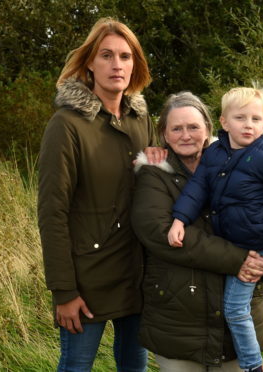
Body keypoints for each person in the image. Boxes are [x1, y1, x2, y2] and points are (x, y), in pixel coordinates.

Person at [131, 92, 263, 372]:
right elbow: (159, 231)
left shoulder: (248, 165)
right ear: (164, 134)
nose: (186, 135)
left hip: (239, 322)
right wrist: (241, 259)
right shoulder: (154, 175)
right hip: (178, 322)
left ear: (210, 129)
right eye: (176, 128)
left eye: (194, 127)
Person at [37, 17, 156, 372]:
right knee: (76, 365)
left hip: (137, 274)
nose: (116, 65)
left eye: (125, 56)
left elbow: (159, 190)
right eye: (106, 55)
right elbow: (52, 212)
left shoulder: (141, 120)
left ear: (135, 64)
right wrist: (64, 291)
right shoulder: (67, 124)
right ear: (90, 61)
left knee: (135, 365)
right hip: (86, 281)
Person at [167, 87, 263, 372]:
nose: (249, 125)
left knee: (234, 309)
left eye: (256, 119)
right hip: (236, 239)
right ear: (224, 122)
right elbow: (197, 189)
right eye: (241, 118)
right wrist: (179, 219)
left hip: (255, 241)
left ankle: (252, 366)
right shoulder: (215, 153)